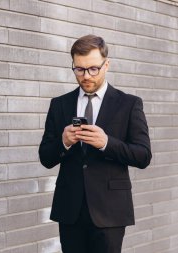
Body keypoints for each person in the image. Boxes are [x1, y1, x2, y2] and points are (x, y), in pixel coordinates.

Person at [38, 35, 152, 253]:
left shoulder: (129, 104)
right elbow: (45, 157)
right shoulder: (59, 104)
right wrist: (64, 142)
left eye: (93, 69)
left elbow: (143, 155)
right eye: (79, 70)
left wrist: (107, 143)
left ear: (106, 65)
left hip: (110, 210)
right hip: (70, 209)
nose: (86, 76)